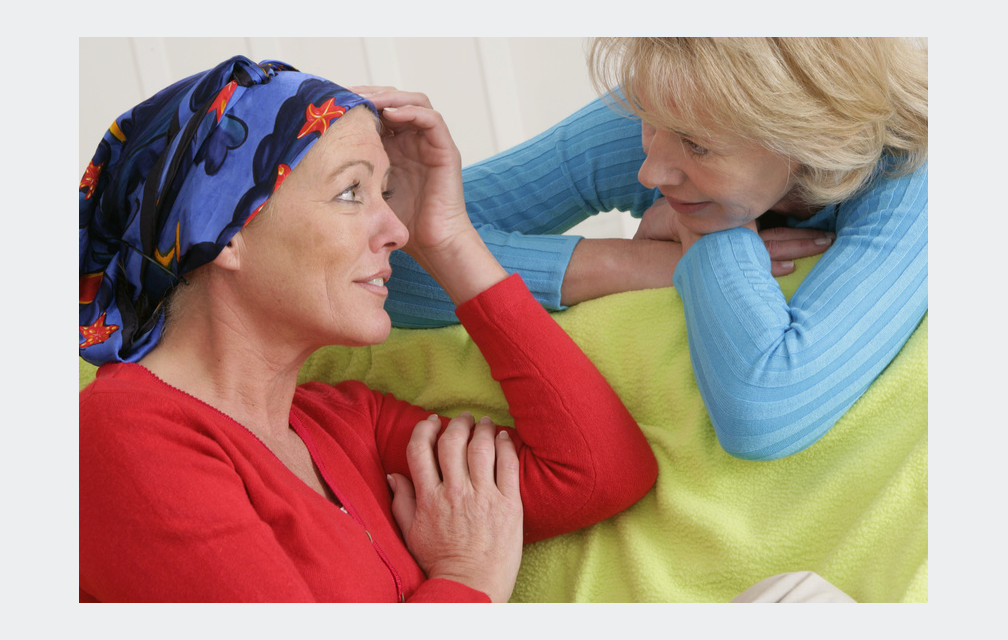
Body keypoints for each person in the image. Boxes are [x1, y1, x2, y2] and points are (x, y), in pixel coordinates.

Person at [78, 55, 658, 602]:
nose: (397, 231)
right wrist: (468, 580)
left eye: (386, 193)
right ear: (222, 229)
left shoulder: (345, 424)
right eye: (351, 192)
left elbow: (598, 474)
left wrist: (449, 239)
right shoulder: (117, 435)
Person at [375, 37, 928, 462]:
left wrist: (717, 237)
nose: (650, 169)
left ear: (811, 141)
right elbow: (382, 258)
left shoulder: (923, 170)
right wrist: (631, 261)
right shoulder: (680, 102)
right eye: (649, 124)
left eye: (697, 146)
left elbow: (764, 413)